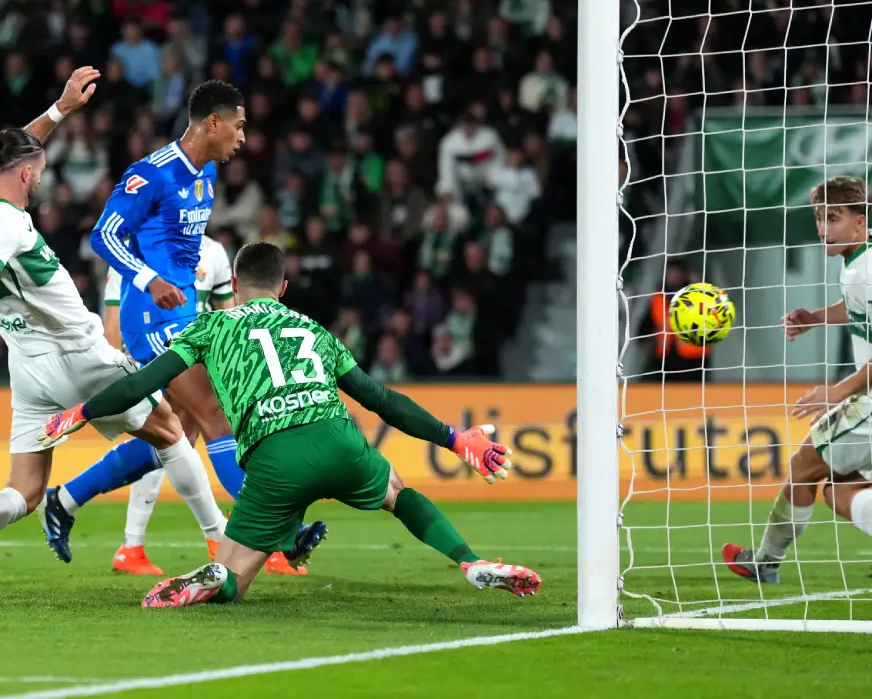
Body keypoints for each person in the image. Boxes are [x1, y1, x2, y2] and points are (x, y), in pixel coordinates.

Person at [39, 241, 542, 607]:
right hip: (338, 441)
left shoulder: (211, 325)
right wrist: (454, 438)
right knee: (394, 488)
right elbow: (381, 399)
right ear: (283, 287)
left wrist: (82, 413)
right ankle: (470, 561)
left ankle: (218, 580)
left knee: (235, 573)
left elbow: (141, 384)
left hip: (273, 461)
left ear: (233, 286)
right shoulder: (311, 329)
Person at [0, 68, 226, 596]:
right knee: (170, 430)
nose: (42, 176)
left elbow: (17, 152)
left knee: (24, 491)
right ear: (27, 176)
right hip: (78, 355)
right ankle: (222, 545)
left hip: (27, 368)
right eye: (42, 170)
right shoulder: (7, 226)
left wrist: (59, 110)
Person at [40, 80, 323, 575]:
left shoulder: (206, 174)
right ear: (212, 122)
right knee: (216, 415)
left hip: (183, 315)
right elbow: (103, 235)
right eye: (237, 126)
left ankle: (65, 499)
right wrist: (148, 281)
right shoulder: (152, 174)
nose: (241, 137)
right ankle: (280, 531)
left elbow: (183, 254)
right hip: (150, 316)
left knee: (175, 438)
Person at [723, 176, 872, 589]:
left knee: (803, 466)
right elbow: (867, 310)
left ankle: (766, 561)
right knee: (837, 489)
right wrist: (815, 318)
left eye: (833, 219)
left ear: (859, 220)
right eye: (819, 218)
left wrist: (836, 392)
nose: (823, 229)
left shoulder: (869, 273)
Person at [100, 234, 239, 576]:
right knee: (182, 439)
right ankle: (250, 535)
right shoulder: (130, 251)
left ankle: (132, 545)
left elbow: (227, 315)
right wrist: (117, 374)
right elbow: (113, 324)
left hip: (200, 362)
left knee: (174, 445)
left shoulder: (214, 251)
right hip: (153, 360)